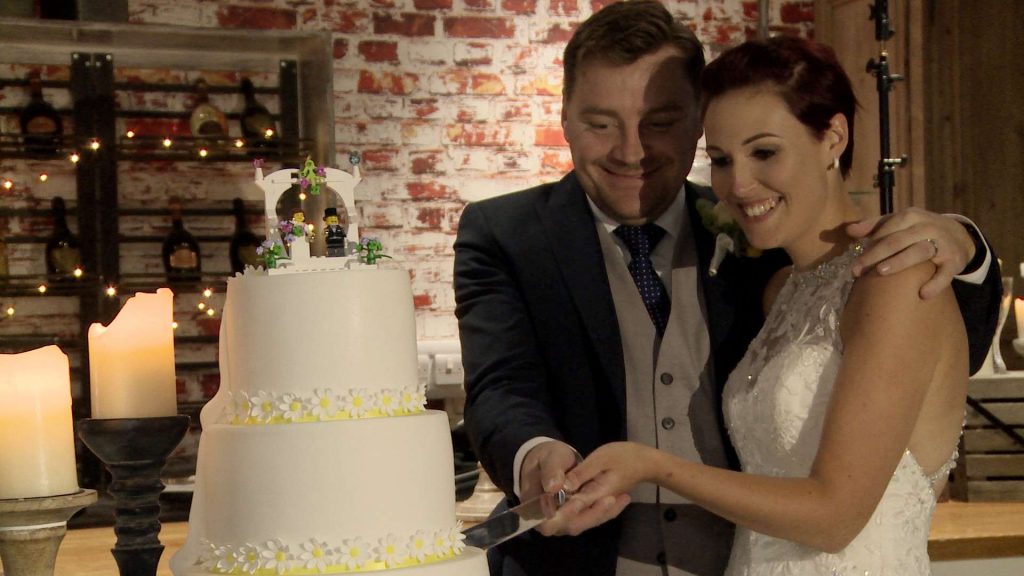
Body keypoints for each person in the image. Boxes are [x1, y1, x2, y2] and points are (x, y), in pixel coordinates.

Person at [452, 2, 1001, 575]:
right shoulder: (506, 235)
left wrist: (967, 245)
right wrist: (535, 455)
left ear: (695, 120)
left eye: (660, 122)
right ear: (564, 116)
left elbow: (934, 343)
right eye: (601, 123)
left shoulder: (763, 234)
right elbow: (500, 385)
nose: (631, 151)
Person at [563, 34, 968, 575]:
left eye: (765, 152)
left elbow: (835, 517)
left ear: (833, 137)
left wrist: (655, 466)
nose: (738, 184)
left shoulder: (896, 277)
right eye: (721, 159)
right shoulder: (779, 288)